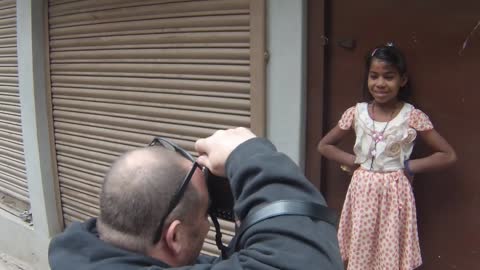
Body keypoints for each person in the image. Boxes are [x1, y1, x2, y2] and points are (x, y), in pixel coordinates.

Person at [49, 127, 343, 269]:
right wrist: (251, 154)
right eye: (206, 214)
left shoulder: (78, 254)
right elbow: (307, 261)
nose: (207, 223)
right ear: (173, 237)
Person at [317, 44, 457, 270]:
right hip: (362, 194)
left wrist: (409, 166)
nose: (380, 83)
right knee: (361, 251)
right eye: (374, 76)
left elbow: (447, 155)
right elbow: (324, 145)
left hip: (395, 195)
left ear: (402, 80)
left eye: (388, 77)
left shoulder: (411, 116)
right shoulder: (357, 113)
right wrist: (354, 160)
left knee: (389, 254)